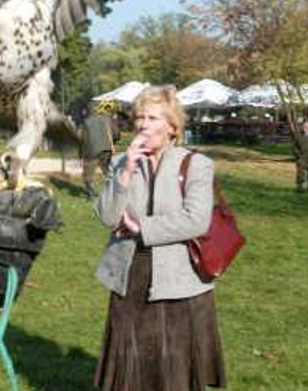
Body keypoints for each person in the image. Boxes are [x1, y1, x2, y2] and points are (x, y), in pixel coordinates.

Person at [93, 85, 226, 391]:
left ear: (172, 127)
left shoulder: (195, 164)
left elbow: (196, 220)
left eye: (152, 118)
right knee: (130, 360)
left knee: (173, 360)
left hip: (179, 278)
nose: (142, 124)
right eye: (139, 117)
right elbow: (106, 216)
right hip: (130, 275)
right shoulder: (119, 163)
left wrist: (142, 228)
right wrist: (124, 174)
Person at [80, 100, 119, 199]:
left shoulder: (86, 122)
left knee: (88, 173)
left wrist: (81, 155)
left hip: (92, 151)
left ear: (87, 110)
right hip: (106, 149)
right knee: (107, 171)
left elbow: (83, 141)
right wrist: (112, 143)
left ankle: (91, 194)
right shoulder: (105, 118)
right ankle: (113, 191)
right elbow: (116, 133)